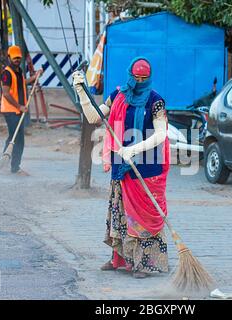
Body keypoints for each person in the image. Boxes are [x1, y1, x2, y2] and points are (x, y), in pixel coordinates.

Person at [72, 57, 170, 278]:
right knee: (121, 212)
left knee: (142, 215)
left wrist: (134, 149)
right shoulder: (118, 95)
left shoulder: (156, 102)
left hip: (147, 167)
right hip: (121, 165)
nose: (139, 81)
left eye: (144, 78)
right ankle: (120, 258)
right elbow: (94, 117)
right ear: (130, 75)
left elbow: (162, 134)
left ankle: (143, 263)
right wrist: (81, 91)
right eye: (136, 77)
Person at [0, 45, 42, 175]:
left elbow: (22, 83)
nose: (17, 60)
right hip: (11, 110)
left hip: (18, 110)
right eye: (14, 58)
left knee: (13, 136)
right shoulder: (7, 73)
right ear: (9, 58)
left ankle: (5, 159)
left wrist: (35, 77)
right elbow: (6, 93)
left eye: (18, 58)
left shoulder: (18, 71)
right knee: (18, 139)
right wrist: (19, 106)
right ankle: (15, 168)